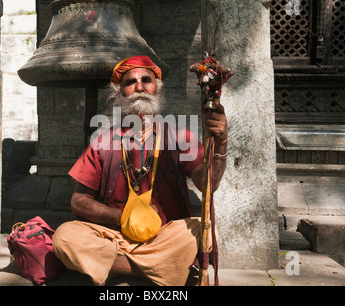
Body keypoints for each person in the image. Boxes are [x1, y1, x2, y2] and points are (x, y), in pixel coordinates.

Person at [52, 55, 228, 286]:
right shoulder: (103, 140)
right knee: (65, 237)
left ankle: (113, 267)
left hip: (163, 237)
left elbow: (209, 186)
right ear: (117, 93)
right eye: (130, 82)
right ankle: (160, 269)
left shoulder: (179, 136)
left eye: (147, 80)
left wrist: (222, 143)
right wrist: (119, 217)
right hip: (115, 237)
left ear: (158, 90)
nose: (139, 86)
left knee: (202, 231)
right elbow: (78, 201)